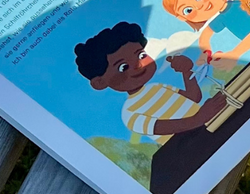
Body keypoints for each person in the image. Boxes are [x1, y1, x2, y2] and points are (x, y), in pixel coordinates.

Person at [74, 22, 227, 142]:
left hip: (212, 123)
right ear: (100, 82)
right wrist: (199, 119)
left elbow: (194, 98)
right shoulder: (130, 113)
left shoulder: (157, 87)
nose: (138, 65)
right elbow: (164, 127)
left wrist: (186, 72)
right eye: (123, 67)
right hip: (190, 145)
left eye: (141, 55)